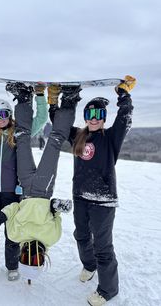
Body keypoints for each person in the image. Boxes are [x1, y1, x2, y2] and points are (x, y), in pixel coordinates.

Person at [0, 83, 82, 282]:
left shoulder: (16, 235)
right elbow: (54, 212)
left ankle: (23, 98)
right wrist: (58, 205)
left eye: (27, 258)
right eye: (35, 259)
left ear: (21, 256)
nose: (32, 254)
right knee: (54, 141)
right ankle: (69, 101)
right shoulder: (52, 237)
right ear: (43, 259)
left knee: (22, 137)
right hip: (44, 190)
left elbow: (12, 209)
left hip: (25, 186)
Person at [67, 75, 136, 306]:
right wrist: (67, 98)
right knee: (81, 235)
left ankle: (108, 290)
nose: (94, 119)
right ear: (85, 117)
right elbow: (58, 121)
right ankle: (89, 265)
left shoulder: (110, 138)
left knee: (102, 246)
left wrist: (124, 96)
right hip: (80, 196)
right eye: (90, 114)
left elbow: (125, 119)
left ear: (103, 118)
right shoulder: (78, 135)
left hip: (103, 200)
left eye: (98, 115)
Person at [0, 75, 48, 281]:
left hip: (12, 191)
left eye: (3, 113)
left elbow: (41, 119)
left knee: (12, 231)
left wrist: (40, 97)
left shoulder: (20, 133)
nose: (0, 118)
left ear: (9, 114)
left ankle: (12, 266)